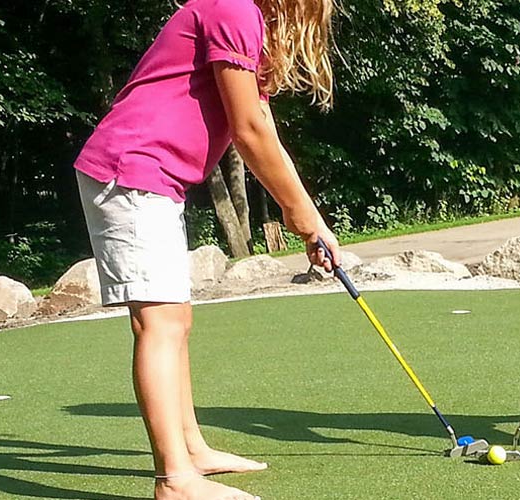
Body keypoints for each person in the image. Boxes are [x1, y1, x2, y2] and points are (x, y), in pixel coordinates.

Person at [71, 0, 340, 498]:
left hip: (152, 177)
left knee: (176, 321)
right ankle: (174, 480)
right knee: (160, 322)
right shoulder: (232, 7)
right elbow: (248, 130)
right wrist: (298, 215)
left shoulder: (241, 15)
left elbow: (260, 119)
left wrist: (308, 215)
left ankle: (191, 449)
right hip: (132, 169)